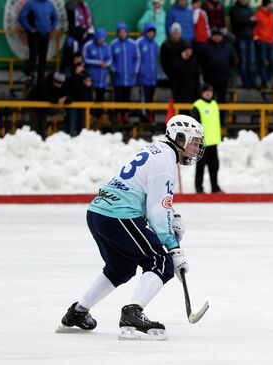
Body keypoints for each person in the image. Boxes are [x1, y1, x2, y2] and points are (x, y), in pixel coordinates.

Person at [56, 114, 205, 340]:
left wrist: (172, 214)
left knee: (120, 268)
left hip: (98, 213)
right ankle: (133, 312)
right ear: (180, 138)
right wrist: (174, 250)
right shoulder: (166, 163)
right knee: (160, 261)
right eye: (194, 143)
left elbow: (149, 195)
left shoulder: (155, 150)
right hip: (119, 216)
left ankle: (78, 312)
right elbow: (156, 212)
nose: (196, 149)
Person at [19, 0, 59, 87]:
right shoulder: (31, 3)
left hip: (45, 35)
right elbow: (22, 17)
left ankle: (41, 81)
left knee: (43, 59)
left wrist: (51, 28)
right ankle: (30, 78)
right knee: (33, 58)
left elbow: (56, 18)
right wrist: (30, 29)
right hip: (35, 35)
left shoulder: (49, 4)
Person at [192, 84, 223, 194]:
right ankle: (199, 188)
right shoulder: (197, 105)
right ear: (201, 93)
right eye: (206, 91)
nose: (208, 93)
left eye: (210, 91)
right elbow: (194, 125)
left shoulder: (214, 104)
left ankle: (215, 187)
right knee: (200, 167)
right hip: (202, 142)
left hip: (213, 142)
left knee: (214, 166)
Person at [110, 22, 140, 124]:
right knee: (118, 97)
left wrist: (134, 70)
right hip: (118, 77)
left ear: (127, 32)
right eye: (120, 32)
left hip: (129, 77)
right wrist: (114, 69)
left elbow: (137, 58)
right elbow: (110, 59)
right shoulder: (113, 44)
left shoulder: (133, 44)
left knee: (127, 97)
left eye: (124, 32)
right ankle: (118, 115)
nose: (122, 34)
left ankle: (126, 115)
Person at [202, 27, 236, 105]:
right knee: (208, 100)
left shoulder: (228, 47)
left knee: (222, 99)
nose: (217, 37)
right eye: (215, 35)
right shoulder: (206, 47)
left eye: (218, 35)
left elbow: (233, 60)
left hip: (223, 78)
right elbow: (201, 61)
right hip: (209, 79)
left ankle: (221, 116)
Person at [231, 0, 257, 88]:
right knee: (243, 61)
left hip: (250, 37)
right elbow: (236, 22)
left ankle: (252, 82)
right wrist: (248, 20)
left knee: (251, 61)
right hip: (240, 37)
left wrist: (248, 21)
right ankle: (245, 82)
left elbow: (254, 22)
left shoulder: (249, 9)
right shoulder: (235, 9)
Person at [137, 22, 160, 124]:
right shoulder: (139, 43)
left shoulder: (155, 44)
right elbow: (136, 59)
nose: (151, 34)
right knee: (144, 97)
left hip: (153, 77)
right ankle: (144, 116)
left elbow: (156, 61)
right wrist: (138, 74)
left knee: (151, 98)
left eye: (152, 32)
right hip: (143, 77)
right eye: (149, 32)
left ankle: (150, 114)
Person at [253, 0, 273, 88]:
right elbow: (254, 27)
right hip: (261, 41)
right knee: (261, 62)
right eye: (270, 4)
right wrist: (256, 37)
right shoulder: (258, 14)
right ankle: (265, 81)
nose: (271, 6)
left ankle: (267, 79)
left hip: (271, 42)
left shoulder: (272, 14)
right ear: (265, 5)